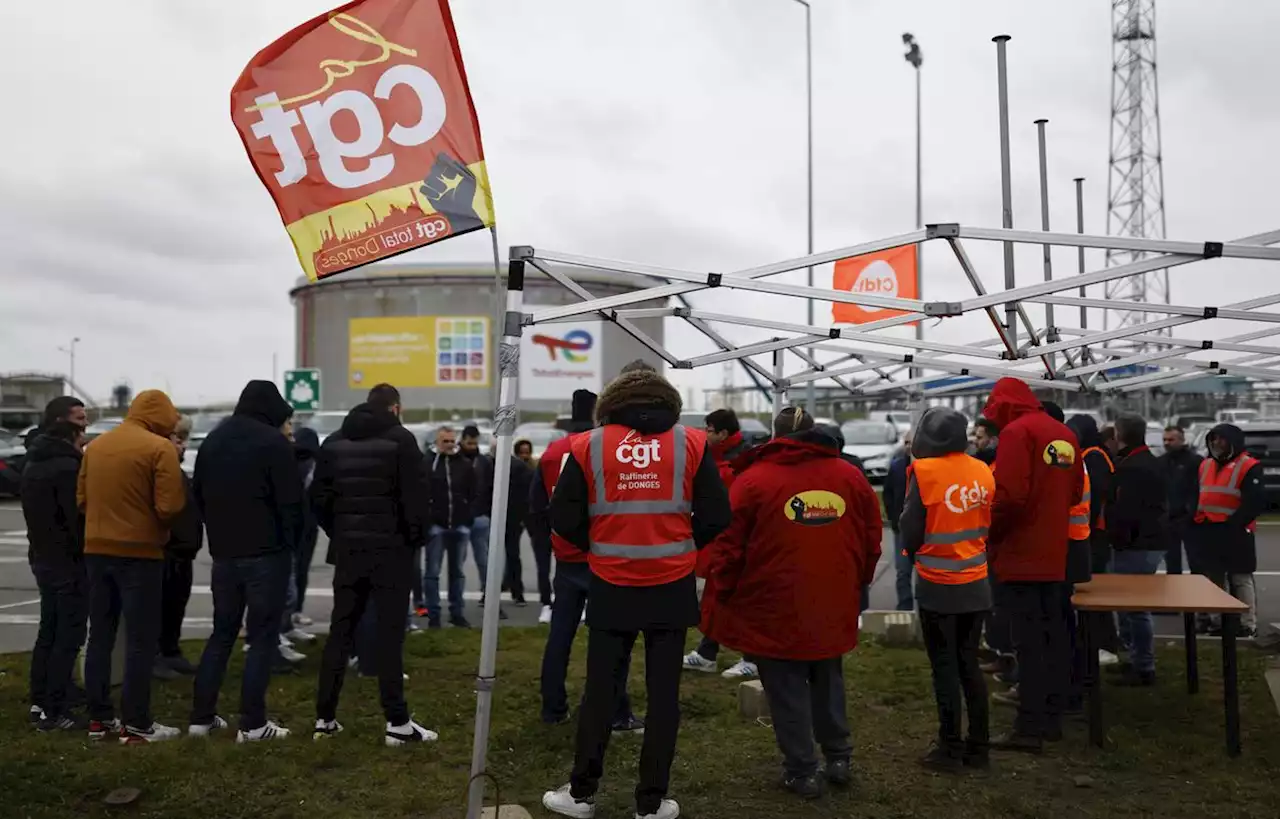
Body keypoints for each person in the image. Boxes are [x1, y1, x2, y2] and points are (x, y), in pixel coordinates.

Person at [542, 365, 731, 819]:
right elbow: (717, 513)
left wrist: (599, 543)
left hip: (611, 582)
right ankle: (650, 803)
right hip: (672, 582)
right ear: (666, 399)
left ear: (611, 400)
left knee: (600, 691)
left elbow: (562, 516)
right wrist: (684, 544)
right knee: (664, 696)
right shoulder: (692, 442)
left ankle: (582, 793)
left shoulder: (588, 445)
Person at [707, 407, 881, 799]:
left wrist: (727, 589)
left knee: (785, 688)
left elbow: (729, 548)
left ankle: (802, 770)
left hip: (773, 606)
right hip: (832, 600)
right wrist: (858, 583)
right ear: (815, 432)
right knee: (828, 679)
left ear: (775, 435)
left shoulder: (752, 480)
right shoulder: (850, 477)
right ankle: (838, 757)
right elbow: (872, 538)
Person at [312, 383, 435, 745]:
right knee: (389, 635)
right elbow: (417, 498)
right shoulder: (402, 441)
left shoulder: (333, 442)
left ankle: (325, 717)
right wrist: (412, 540)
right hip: (391, 553)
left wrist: (340, 530)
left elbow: (318, 498)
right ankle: (397, 721)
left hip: (348, 552)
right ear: (395, 407)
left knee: (340, 631)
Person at [189, 381, 302, 742]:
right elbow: (292, 504)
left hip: (224, 554)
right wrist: (290, 544)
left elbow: (198, 497)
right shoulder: (273, 444)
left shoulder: (213, 441)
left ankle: (201, 718)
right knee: (262, 637)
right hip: (266, 554)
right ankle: (253, 724)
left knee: (221, 634)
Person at [981, 377, 1083, 754]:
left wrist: (989, 534)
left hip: (1020, 555)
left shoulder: (1016, 433)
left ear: (1004, 405)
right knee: (1053, 639)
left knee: (1028, 645)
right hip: (1055, 555)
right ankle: (1052, 719)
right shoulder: (1064, 435)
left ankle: (1028, 728)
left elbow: (1008, 497)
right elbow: (1074, 493)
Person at [78, 389, 186, 743]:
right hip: (141, 554)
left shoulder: (95, 447)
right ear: (162, 416)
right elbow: (170, 507)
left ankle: (99, 719)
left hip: (96, 551)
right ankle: (137, 724)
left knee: (100, 636)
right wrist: (158, 529)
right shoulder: (160, 449)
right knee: (140, 640)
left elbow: (81, 500)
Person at [534, 389, 642, 731]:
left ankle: (553, 708)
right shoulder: (606, 448)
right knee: (610, 637)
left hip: (566, 555)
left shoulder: (552, 452)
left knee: (559, 636)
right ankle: (614, 710)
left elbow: (537, 506)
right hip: (603, 553)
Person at [899, 407, 994, 772]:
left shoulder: (923, 472)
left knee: (944, 669)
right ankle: (979, 747)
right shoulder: (982, 469)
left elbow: (910, 527)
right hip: (976, 581)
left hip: (938, 585)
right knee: (969, 664)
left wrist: (915, 552)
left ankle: (949, 747)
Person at [22, 417, 88, 731]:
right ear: (72, 437)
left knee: (48, 632)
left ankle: (40, 698)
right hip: (67, 562)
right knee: (69, 636)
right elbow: (74, 520)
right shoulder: (67, 468)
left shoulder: (33, 463)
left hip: (42, 557)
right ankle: (56, 709)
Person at [683, 407, 756, 677]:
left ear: (723, 433)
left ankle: (752, 657)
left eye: (709, 430)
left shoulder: (738, 462)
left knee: (738, 599)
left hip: (735, 540)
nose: (705, 434)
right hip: (722, 541)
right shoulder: (718, 457)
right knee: (718, 599)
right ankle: (708, 652)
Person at [1104, 415, 1169, 686]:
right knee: (1129, 606)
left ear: (1120, 434)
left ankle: (1143, 665)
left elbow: (1127, 512)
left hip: (1137, 544)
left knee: (1135, 607)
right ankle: (1135, 659)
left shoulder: (1133, 468)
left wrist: (1116, 539)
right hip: (1148, 541)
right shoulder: (1150, 462)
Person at [1187, 423, 1263, 638]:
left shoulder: (1249, 466)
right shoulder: (1205, 465)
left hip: (1236, 532)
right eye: (1213, 439)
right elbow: (1198, 494)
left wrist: (1234, 524)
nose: (1216, 443)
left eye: (1221, 439)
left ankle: (1247, 623)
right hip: (1208, 529)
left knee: (1240, 578)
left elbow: (1254, 502)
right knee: (1213, 579)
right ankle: (1216, 621)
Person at [155, 415, 203, 680]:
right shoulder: (161, 470)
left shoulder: (177, 471)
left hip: (183, 553)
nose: (183, 446)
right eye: (178, 440)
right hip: (167, 551)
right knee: (161, 608)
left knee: (175, 607)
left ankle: (171, 652)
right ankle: (157, 657)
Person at [423, 426, 476, 628]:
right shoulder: (428, 463)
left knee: (457, 572)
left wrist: (468, 516)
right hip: (435, 526)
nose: (449, 445)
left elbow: (473, 492)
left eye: (451, 441)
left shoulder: (464, 464)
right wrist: (427, 519)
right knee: (432, 572)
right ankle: (433, 614)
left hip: (460, 525)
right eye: (444, 441)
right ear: (437, 442)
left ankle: (457, 612)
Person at [289, 425, 322, 630]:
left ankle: (286, 615)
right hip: (309, 524)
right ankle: (296, 610)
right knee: (301, 569)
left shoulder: (287, 462)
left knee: (286, 571)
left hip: (287, 523)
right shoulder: (315, 466)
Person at [460, 425, 497, 606]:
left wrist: (488, 511)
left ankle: (487, 592)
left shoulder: (483, 462)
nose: (472, 446)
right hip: (461, 517)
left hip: (480, 515)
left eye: (474, 443)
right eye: (469, 443)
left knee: (483, 559)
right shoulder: (456, 460)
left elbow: (490, 488)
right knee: (459, 560)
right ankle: (458, 597)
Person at [1158, 426, 1202, 576]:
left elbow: (1199, 489)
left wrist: (1191, 511)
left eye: (1171, 439)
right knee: (1172, 564)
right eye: (1164, 439)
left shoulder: (1195, 462)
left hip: (1191, 520)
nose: (1167, 443)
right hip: (1169, 519)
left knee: (1196, 562)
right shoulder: (1161, 462)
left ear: (1182, 440)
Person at [882, 432, 914, 611]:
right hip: (901, 530)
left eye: (912, 443)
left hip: (923, 531)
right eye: (906, 443)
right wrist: (893, 517)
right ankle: (905, 605)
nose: (909, 446)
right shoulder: (896, 467)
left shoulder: (927, 467)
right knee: (903, 570)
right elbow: (888, 494)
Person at [502, 452, 535, 607]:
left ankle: (515, 589)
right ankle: (514, 589)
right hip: (511, 516)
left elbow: (526, 494)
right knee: (511, 555)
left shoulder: (517, 468)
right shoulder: (519, 467)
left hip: (512, 516)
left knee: (511, 554)